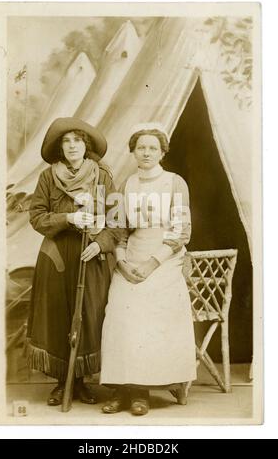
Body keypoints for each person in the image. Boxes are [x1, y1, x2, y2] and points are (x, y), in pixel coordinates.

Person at [100, 123, 197, 415]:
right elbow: (118, 229)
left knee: (146, 314)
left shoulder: (175, 182)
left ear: (162, 152)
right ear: (132, 151)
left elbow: (181, 231)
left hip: (165, 258)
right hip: (130, 257)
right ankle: (120, 388)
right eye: (140, 147)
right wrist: (121, 261)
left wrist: (152, 263)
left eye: (152, 147)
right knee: (118, 312)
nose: (146, 152)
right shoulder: (125, 185)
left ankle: (142, 392)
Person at [26, 117, 120, 406]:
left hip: (90, 256)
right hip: (56, 256)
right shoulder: (47, 177)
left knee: (89, 316)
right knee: (58, 316)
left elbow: (116, 222)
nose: (72, 146)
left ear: (86, 145)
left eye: (77, 140)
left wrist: (99, 244)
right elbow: (37, 217)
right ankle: (62, 383)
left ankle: (81, 382)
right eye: (66, 141)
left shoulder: (102, 175)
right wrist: (68, 218)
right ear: (60, 147)